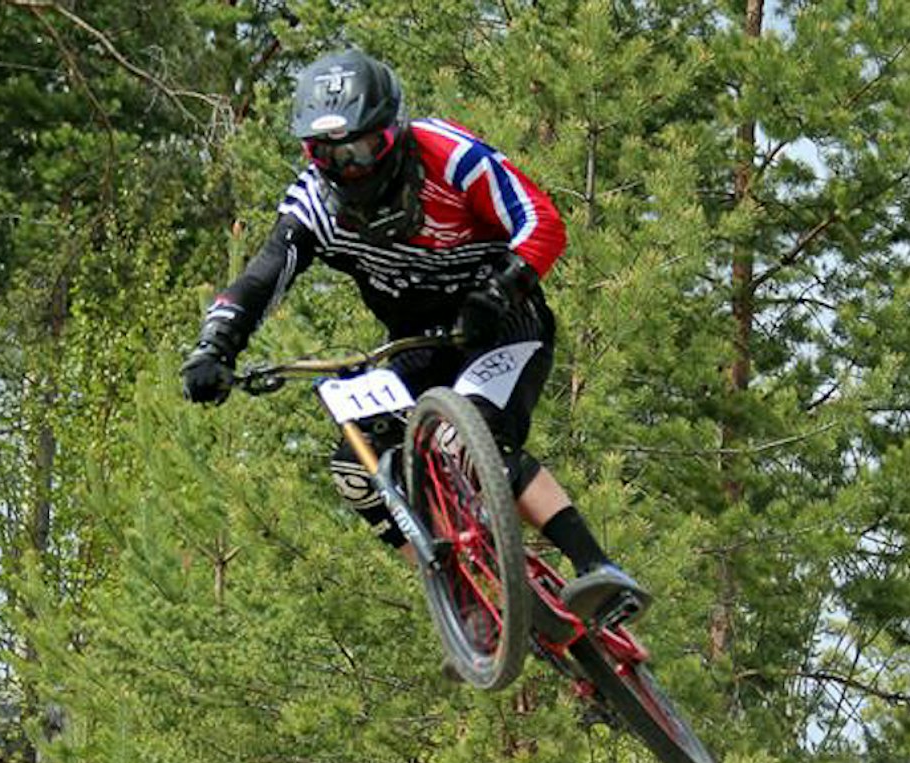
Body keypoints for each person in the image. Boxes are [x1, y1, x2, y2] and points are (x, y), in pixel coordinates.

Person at [181, 48, 649, 629]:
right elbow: (261, 276)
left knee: (467, 439)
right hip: (417, 344)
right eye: (327, 153)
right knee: (356, 466)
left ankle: (597, 566)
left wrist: (502, 288)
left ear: (393, 131)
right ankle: (459, 601)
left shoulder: (451, 157)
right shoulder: (313, 204)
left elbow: (542, 221)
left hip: (502, 321)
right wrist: (215, 345)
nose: (348, 167)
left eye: (359, 148)